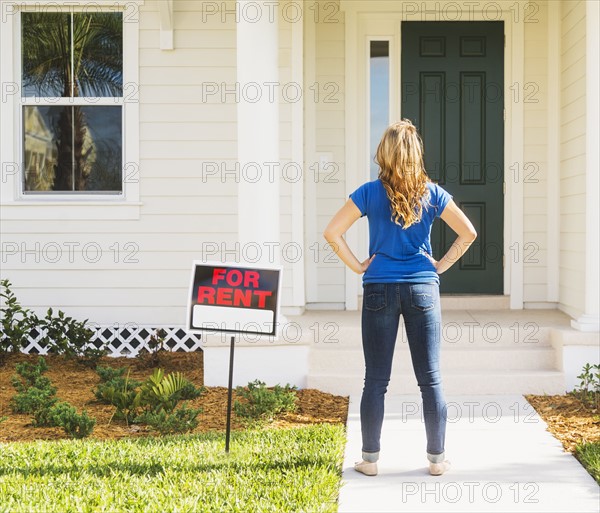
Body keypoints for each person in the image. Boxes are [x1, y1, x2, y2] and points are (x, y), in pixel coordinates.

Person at [323, 119, 477, 477]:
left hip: (378, 288)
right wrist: (439, 266)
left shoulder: (367, 192)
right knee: (431, 379)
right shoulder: (433, 193)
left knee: (375, 379)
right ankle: (437, 461)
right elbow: (468, 233)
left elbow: (332, 233)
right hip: (424, 288)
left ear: (385, 154)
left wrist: (360, 265)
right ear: (416, 155)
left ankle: (370, 460)